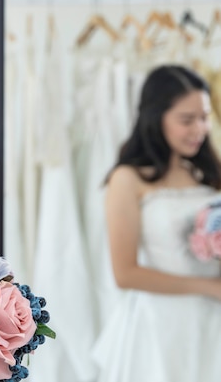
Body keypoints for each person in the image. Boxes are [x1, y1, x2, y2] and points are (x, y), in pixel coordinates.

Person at [93, 64, 221, 382]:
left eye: (204, 117)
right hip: (162, 325)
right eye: (187, 120)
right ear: (156, 116)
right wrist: (207, 287)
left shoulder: (206, 173)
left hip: (213, 320)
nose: (199, 129)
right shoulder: (128, 179)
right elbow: (125, 274)